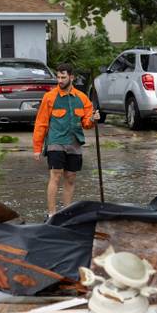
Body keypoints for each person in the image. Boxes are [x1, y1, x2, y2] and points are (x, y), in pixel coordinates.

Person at [32, 63, 100, 220]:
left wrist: (93, 118)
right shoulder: (49, 97)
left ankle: (67, 214)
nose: (60, 80)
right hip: (55, 141)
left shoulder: (82, 98)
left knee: (70, 177)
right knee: (55, 175)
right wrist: (37, 148)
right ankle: (51, 214)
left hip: (74, 143)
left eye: (63, 77)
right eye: (58, 77)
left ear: (71, 77)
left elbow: (87, 124)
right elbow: (40, 124)